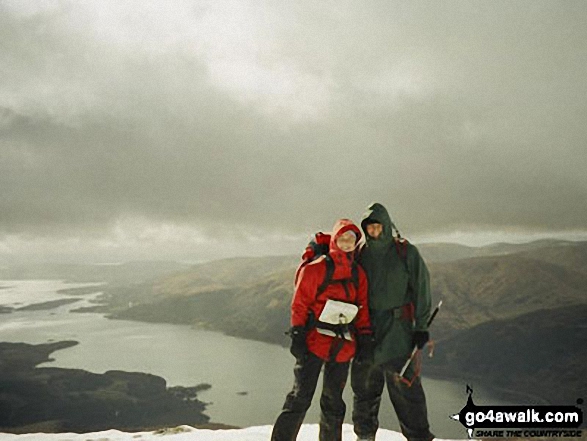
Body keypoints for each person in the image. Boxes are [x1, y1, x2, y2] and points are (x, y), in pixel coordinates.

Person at [271, 219, 373, 441]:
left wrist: (364, 336)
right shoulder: (316, 269)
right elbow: (300, 304)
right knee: (300, 397)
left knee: (333, 401)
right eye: (343, 238)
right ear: (335, 240)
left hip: (343, 345)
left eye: (351, 239)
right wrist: (297, 334)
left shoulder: (358, 274)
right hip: (313, 341)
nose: (347, 243)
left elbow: (362, 308)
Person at [351, 203, 434, 441]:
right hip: (367, 331)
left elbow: (422, 290)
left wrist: (421, 327)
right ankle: (364, 436)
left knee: (407, 391)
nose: (374, 232)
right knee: (365, 389)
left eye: (378, 227)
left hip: (399, 333)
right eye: (370, 228)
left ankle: (418, 437)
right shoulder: (360, 254)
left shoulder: (406, 253)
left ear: (386, 226)